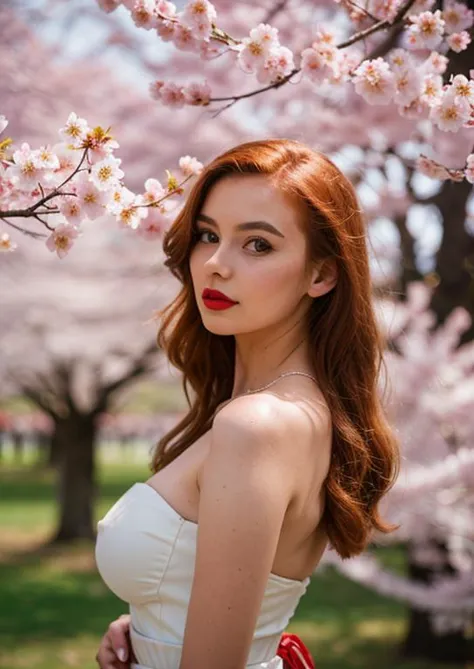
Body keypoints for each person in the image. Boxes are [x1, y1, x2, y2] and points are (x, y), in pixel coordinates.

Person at [94, 138, 400, 669]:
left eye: (257, 244)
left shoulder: (257, 425)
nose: (214, 263)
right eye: (208, 235)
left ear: (321, 274)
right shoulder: (284, 409)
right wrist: (147, 628)